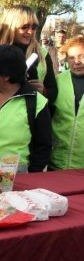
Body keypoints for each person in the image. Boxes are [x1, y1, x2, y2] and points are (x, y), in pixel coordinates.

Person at [0, 45, 52, 172]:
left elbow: (43, 146)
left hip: (15, 179)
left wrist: (32, 176)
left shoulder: (37, 102)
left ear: (6, 74)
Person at [0, 5, 58, 103]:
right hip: (4, 112)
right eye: (24, 27)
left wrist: (44, 91)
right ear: (11, 27)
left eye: (34, 27)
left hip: (33, 111)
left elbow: (53, 91)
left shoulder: (42, 53)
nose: (30, 32)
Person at [50, 35, 84, 170]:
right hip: (57, 162)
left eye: (81, 56)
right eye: (71, 57)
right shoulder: (57, 82)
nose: (76, 62)